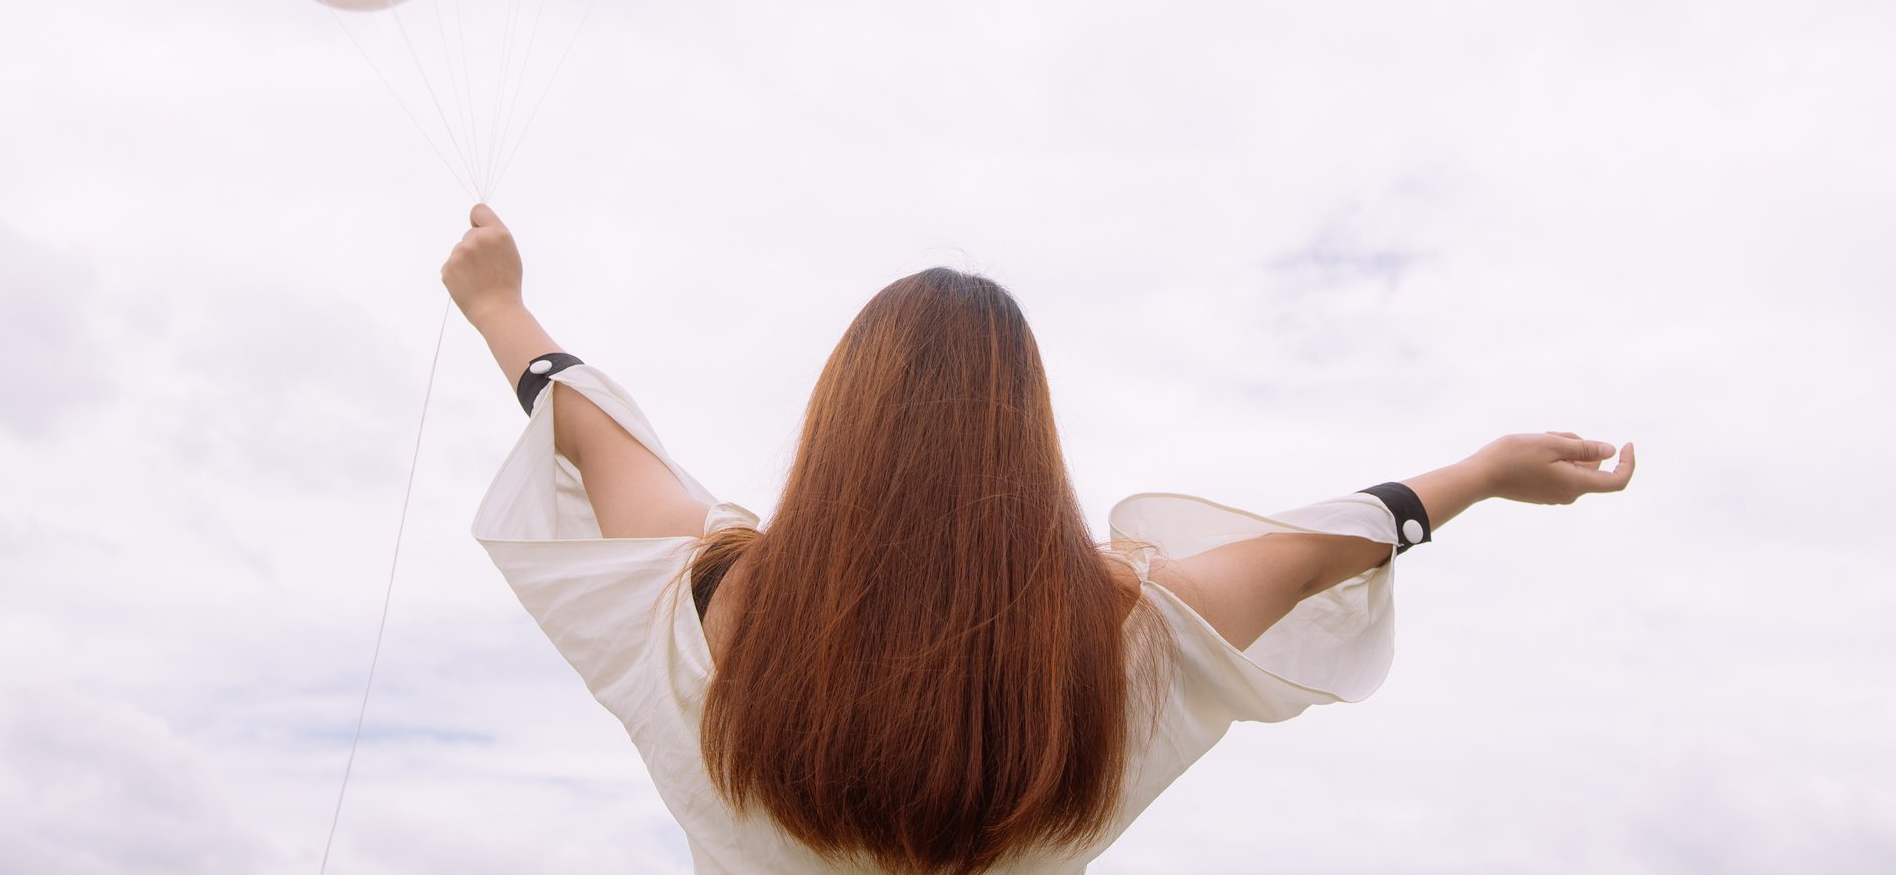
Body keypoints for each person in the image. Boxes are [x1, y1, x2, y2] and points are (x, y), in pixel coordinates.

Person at [449, 203, 1635, 875]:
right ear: (1028, 442)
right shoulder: (1115, 642)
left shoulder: (714, 608)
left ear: (838, 422)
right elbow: (1332, 538)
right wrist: (1479, 474)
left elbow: (600, 439)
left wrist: (501, 304)